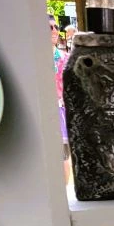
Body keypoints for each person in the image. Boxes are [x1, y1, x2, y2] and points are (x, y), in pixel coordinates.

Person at [49, 15, 70, 182]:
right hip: (42, 113)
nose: (54, 30)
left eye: (56, 27)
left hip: (61, 113)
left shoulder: (65, 58)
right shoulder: (32, 59)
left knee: (63, 158)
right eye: (49, 27)